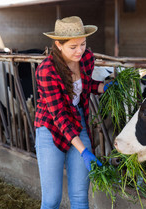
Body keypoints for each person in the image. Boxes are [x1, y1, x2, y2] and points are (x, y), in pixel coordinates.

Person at [35, 16, 107, 209]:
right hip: (50, 128)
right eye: (73, 47)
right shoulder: (46, 70)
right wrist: (84, 151)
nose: (80, 51)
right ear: (58, 45)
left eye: (82, 44)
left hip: (78, 121)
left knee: (80, 197)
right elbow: (59, 115)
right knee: (51, 199)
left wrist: (103, 87)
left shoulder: (87, 59)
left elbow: (83, 85)